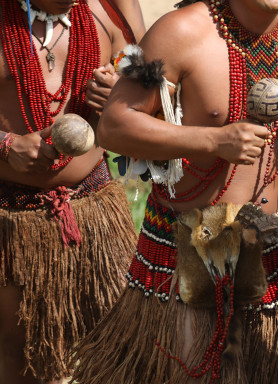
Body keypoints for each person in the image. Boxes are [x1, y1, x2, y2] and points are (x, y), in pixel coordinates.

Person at [70, 0, 278, 383]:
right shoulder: (177, 32)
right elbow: (114, 124)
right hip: (183, 249)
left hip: (273, 244)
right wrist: (213, 140)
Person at [0, 0, 145, 383]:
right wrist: (4, 144)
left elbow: (155, 102)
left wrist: (120, 99)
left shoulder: (113, 12)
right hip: (11, 222)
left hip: (95, 212)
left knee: (120, 343)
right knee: (19, 352)